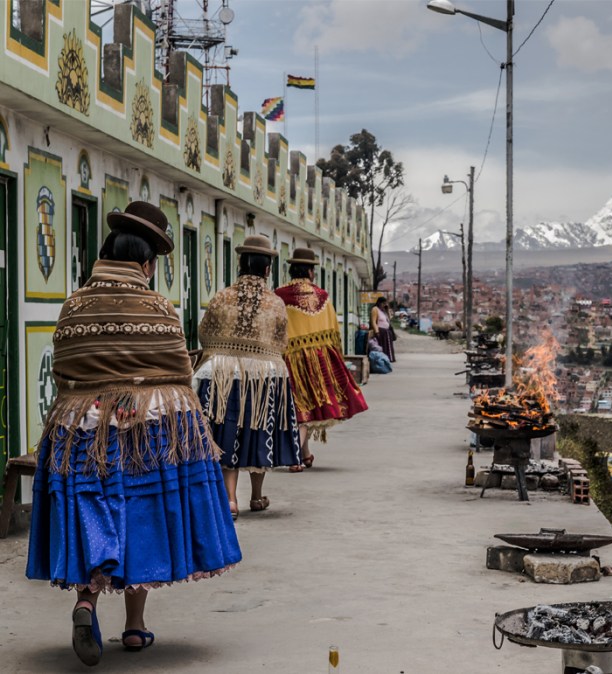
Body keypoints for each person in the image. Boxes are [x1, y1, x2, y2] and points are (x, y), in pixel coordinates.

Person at [26, 201, 241, 667]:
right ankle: (134, 628)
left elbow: (62, 369)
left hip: (82, 426)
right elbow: (180, 369)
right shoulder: (158, 307)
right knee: (139, 519)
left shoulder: (74, 305)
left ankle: (86, 603)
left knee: (95, 510)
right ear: (145, 265)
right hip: (149, 428)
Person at [194, 234, 301, 518]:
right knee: (257, 431)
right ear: (267, 269)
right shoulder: (274, 302)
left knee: (228, 429)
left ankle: (230, 499)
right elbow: (281, 341)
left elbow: (204, 332)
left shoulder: (222, 296)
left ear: (240, 264)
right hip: (264, 376)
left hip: (221, 374)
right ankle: (256, 496)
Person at [274, 248, 368, 469]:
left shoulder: (279, 295)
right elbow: (332, 330)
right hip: (316, 359)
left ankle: (305, 454)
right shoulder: (322, 296)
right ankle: (296, 456)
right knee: (306, 410)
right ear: (310, 271)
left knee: (297, 408)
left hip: (285, 358)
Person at [369, 296, 396, 363]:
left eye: (385, 303)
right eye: (383, 303)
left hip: (386, 331)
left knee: (388, 347)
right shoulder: (375, 309)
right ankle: (382, 360)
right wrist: (376, 331)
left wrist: (387, 310)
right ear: (379, 303)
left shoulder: (383, 311)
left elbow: (389, 319)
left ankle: (389, 359)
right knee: (382, 346)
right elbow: (373, 321)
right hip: (380, 331)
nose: (384, 305)